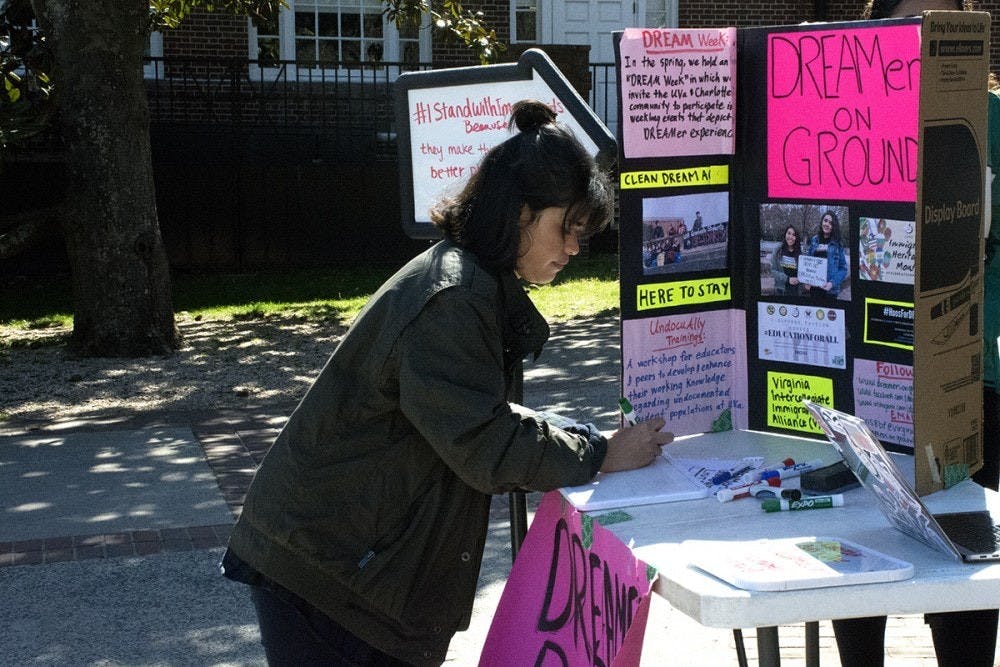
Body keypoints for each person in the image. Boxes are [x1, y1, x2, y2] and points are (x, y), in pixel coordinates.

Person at [218, 100, 674, 667]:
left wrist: (582, 442)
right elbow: (485, 443)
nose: (575, 249)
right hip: (331, 580)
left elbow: (479, 420)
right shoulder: (454, 298)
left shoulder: (472, 282)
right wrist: (602, 452)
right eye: (567, 228)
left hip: (345, 569)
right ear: (521, 214)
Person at [831, 1, 1000, 665]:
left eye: (944, 19)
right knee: (856, 554)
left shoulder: (993, 119)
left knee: (962, 571)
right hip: (870, 375)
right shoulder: (853, 109)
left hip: (969, 378)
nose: (929, 38)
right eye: (912, 22)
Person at [801, 209, 848, 300]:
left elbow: (843, 269)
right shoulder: (814, 240)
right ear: (822, 221)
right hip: (814, 289)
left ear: (833, 226)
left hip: (830, 291)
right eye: (825, 220)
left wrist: (832, 283)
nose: (827, 224)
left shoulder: (838, 244)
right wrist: (806, 281)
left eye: (830, 223)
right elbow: (808, 263)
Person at [769, 224, 802, 295]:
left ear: (796, 238)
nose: (790, 237)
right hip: (781, 291)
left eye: (794, 235)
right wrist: (787, 279)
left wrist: (800, 279)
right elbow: (772, 271)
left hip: (796, 292)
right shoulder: (777, 250)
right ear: (785, 234)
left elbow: (803, 273)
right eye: (789, 233)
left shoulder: (799, 253)